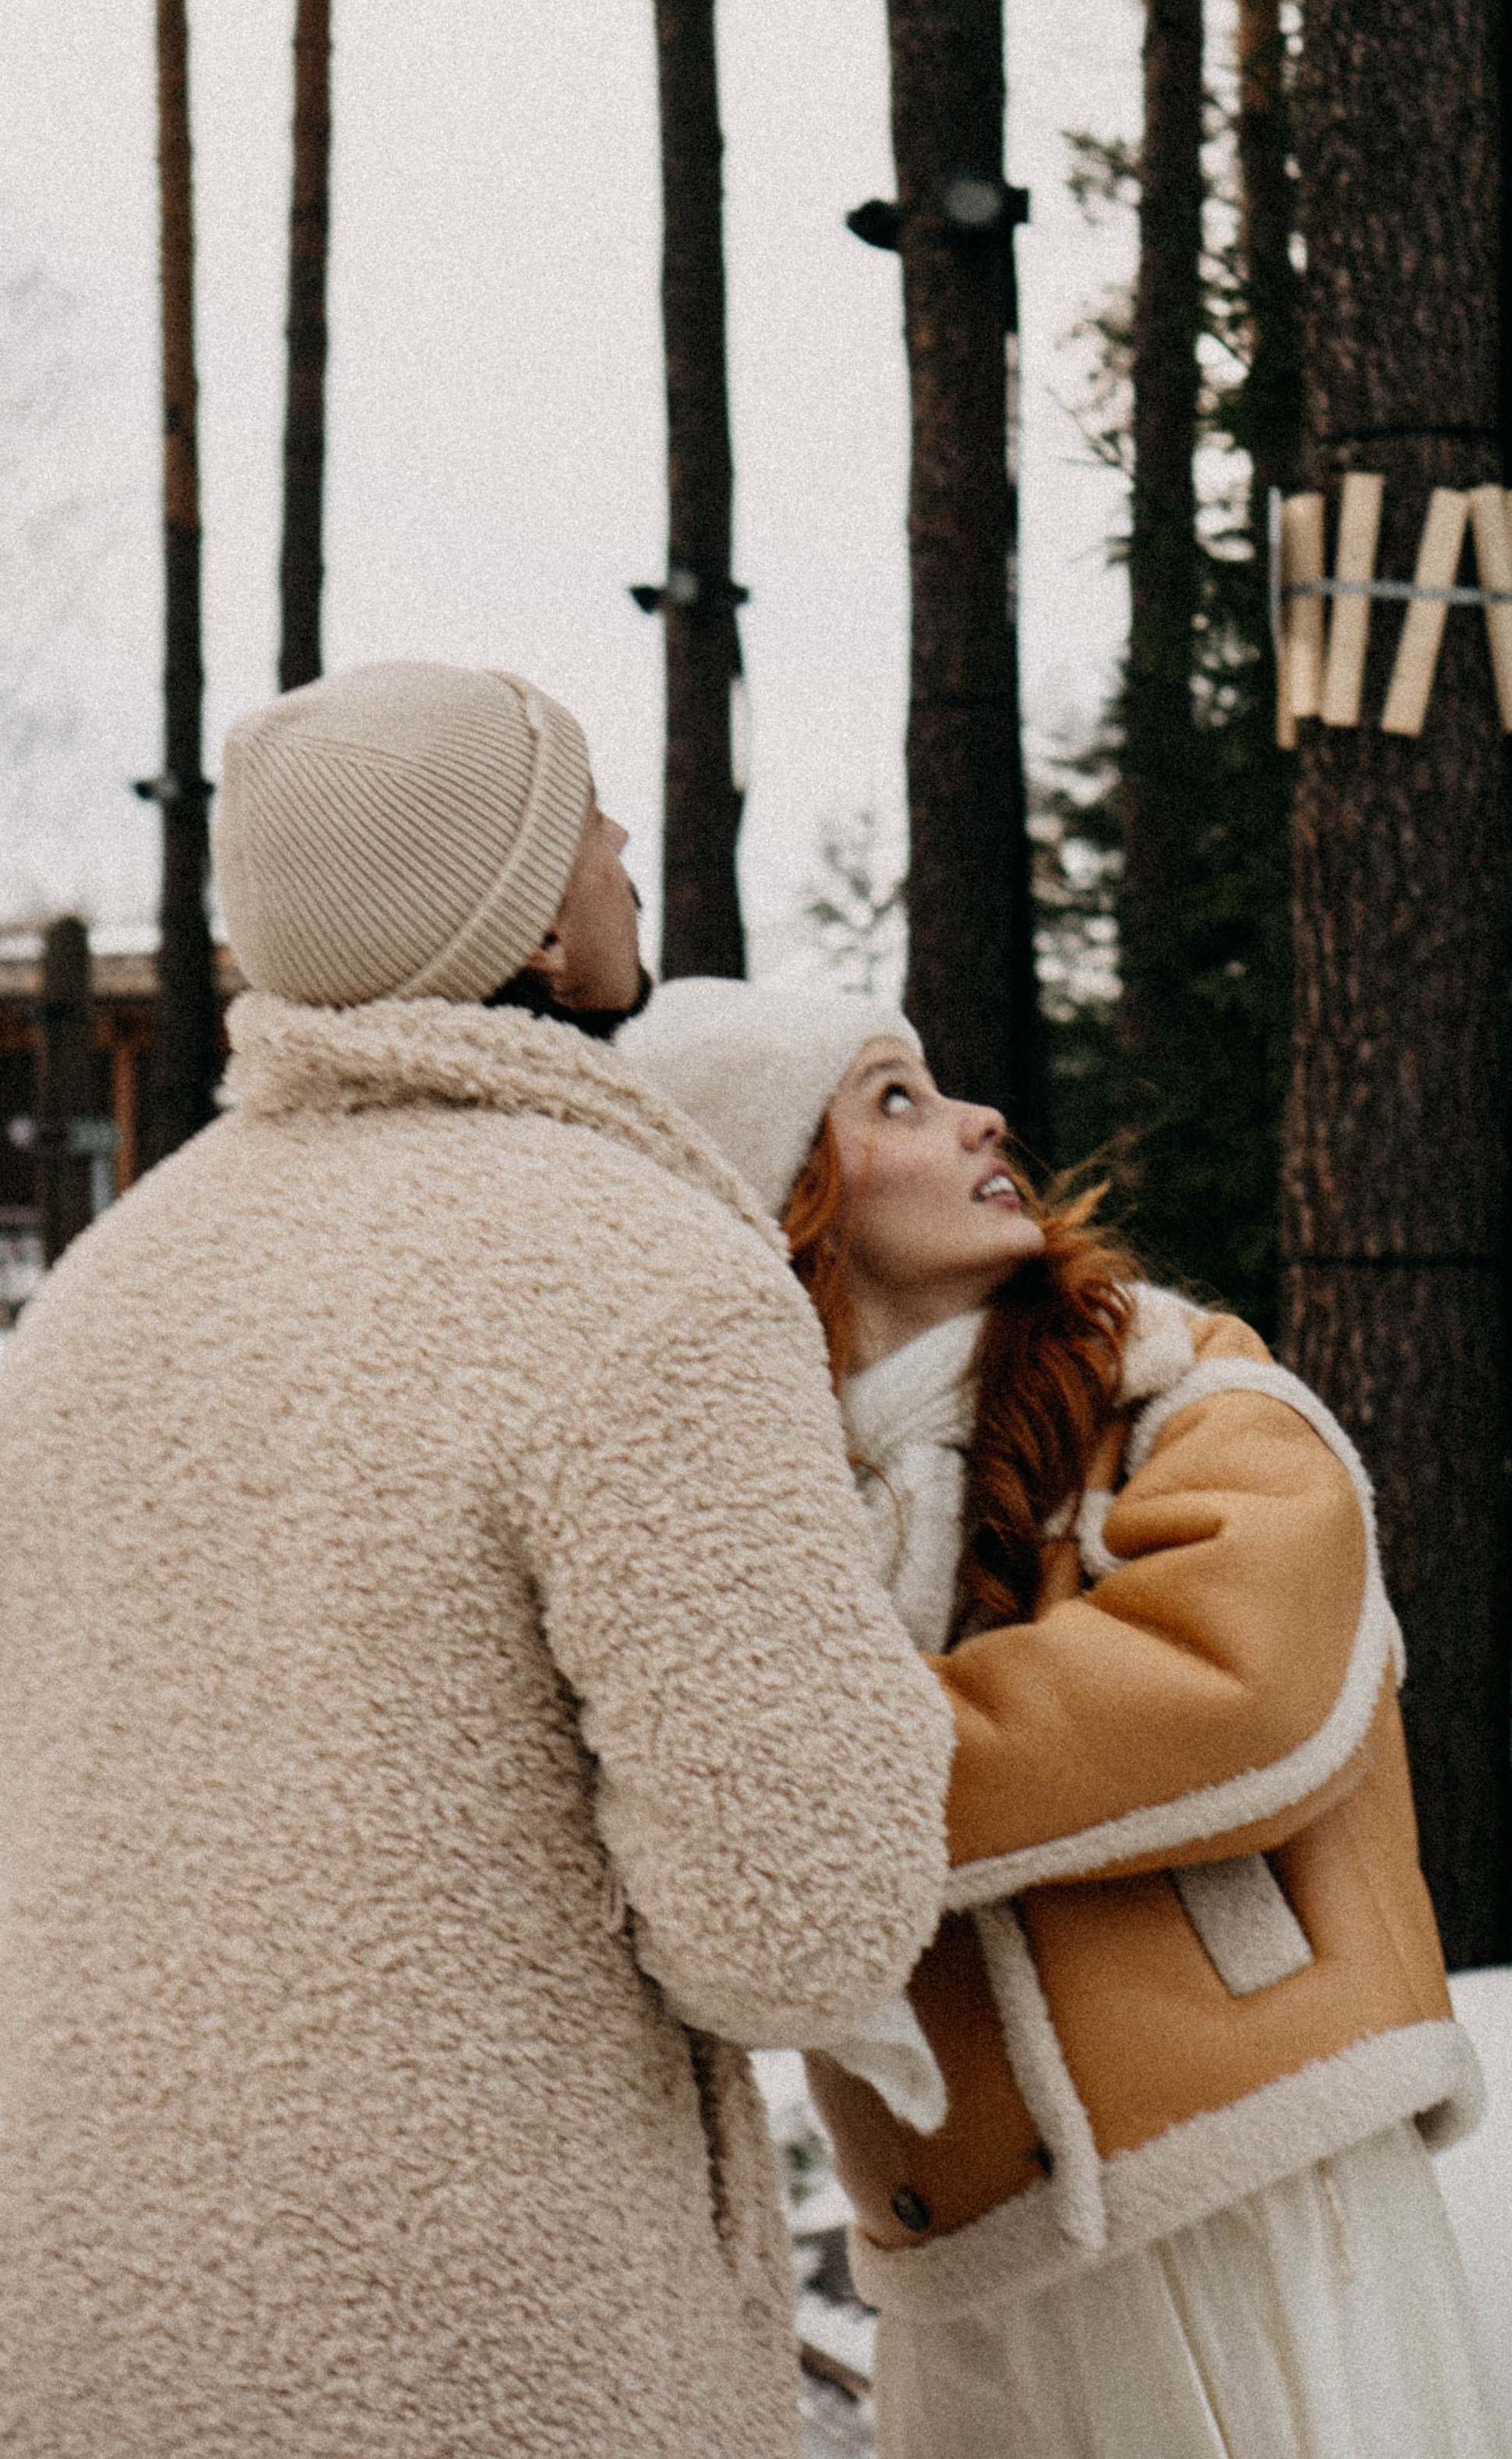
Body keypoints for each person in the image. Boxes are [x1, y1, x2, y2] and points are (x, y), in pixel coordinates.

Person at [0, 662, 953, 2459]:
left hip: (83, 2307)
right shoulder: (644, 1276)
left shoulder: (103, 1295)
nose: (614, 845)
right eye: (577, 814)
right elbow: (799, 1917)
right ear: (515, 919)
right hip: (481, 2335)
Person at [624, 976, 1506, 2459]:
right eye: (895, 1098)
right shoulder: (756, 1532)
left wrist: (824, 1786)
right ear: (794, 1202)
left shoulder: (1173, 1383)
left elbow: (1236, 1676)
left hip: (1258, 2197)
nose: (984, 1116)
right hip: (977, 2252)